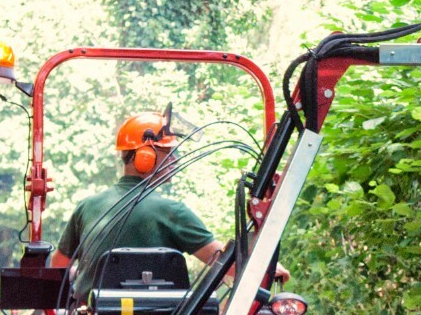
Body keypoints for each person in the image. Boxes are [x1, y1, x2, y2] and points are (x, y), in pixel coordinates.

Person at [55, 113, 288, 286]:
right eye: (169, 153)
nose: (176, 160)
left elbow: (58, 267)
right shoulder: (172, 212)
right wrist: (265, 269)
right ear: (145, 157)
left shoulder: (87, 206)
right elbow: (223, 261)